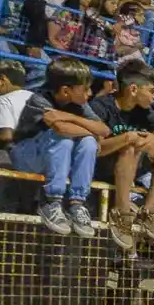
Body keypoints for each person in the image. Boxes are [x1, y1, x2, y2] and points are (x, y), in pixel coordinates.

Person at [89, 60, 154, 250]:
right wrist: (127, 139)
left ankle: (149, 212)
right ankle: (122, 215)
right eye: (152, 90)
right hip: (101, 165)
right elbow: (95, 148)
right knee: (131, 146)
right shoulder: (101, 106)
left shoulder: (144, 111)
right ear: (133, 89)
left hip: (131, 167)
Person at [9, 58, 109, 237]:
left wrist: (70, 118)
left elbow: (104, 130)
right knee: (63, 138)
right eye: (85, 89)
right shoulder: (39, 100)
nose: (90, 93)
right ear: (65, 91)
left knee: (88, 142)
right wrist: (88, 129)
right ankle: (51, 202)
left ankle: (77, 203)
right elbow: (61, 129)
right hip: (25, 156)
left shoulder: (80, 105)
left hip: (53, 158)